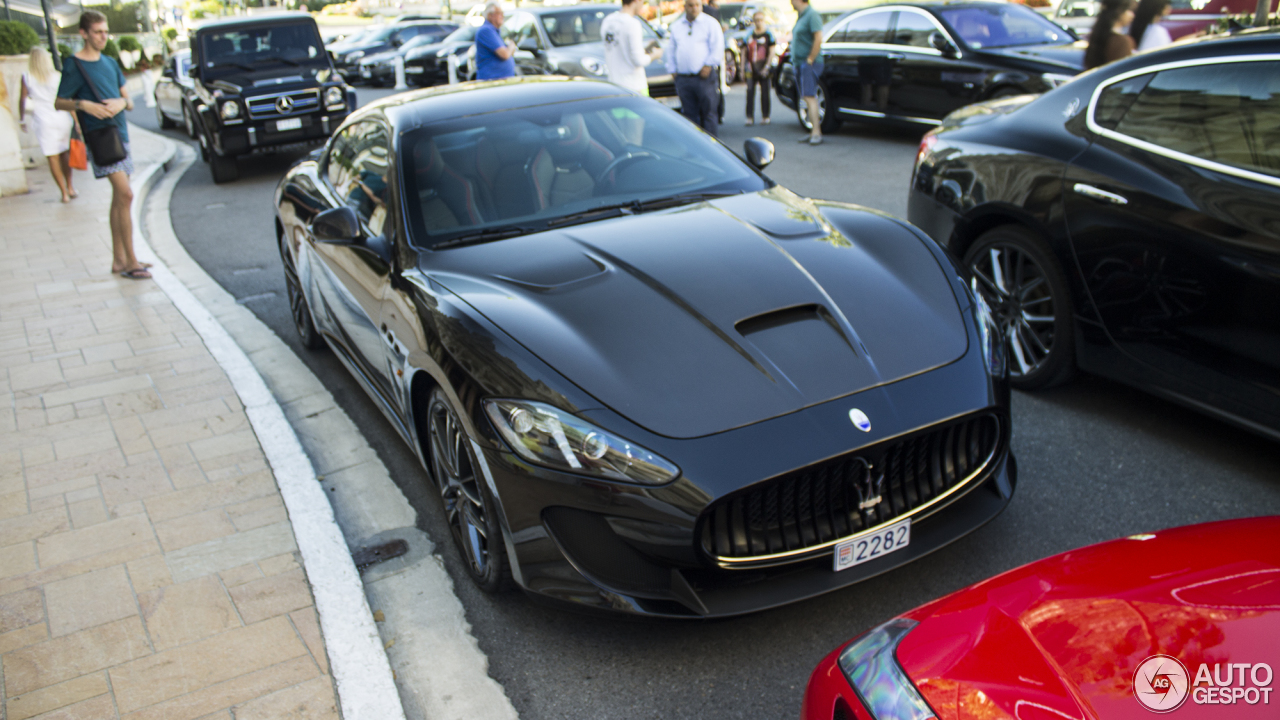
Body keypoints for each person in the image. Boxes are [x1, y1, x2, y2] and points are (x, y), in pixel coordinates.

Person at [55, 10, 150, 280]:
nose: (103, 36)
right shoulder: (75, 65)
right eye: (97, 32)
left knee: (119, 198)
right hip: (100, 139)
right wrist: (82, 104)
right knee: (126, 194)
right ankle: (132, 261)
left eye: (105, 31)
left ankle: (119, 259)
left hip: (121, 136)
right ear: (83, 33)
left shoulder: (110, 62)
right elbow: (59, 101)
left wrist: (122, 103)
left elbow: (128, 100)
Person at [19, 46, 77, 203]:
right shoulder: (57, 76)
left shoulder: (27, 77)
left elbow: (23, 100)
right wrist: (76, 120)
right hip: (61, 118)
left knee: (52, 157)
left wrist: (22, 120)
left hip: (42, 120)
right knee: (64, 153)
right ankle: (70, 186)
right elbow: (68, 99)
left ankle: (63, 192)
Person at [665, 0, 724, 137]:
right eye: (691, 5)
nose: (694, 8)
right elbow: (671, 50)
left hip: (704, 77)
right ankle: (694, 149)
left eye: (697, 5)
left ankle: (712, 146)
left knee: (709, 113)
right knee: (689, 116)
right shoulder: (677, 26)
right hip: (684, 78)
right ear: (685, 7)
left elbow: (717, 47)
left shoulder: (710, 23)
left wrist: (708, 64)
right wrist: (673, 70)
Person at [602, 0, 663, 96]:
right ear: (636, 1)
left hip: (614, 85)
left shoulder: (608, 21)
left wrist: (644, 50)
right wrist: (654, 55)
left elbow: (618, 50)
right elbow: (638, 60)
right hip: (634, 86)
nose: (643, 5)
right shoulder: (632, 23)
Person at [790, 0, 824, 145]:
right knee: (805, 97)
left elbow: (818, 38)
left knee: (810, 96)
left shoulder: (812, 15)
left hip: (809, 63)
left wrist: (810, 59)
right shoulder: (801, 16)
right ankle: (812, 131)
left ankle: (816, 132)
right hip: (799, 63)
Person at [1084, 0, 1136, 70]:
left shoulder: (1098, 35)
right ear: (1118, 11)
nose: (1132, 15)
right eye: (1128, 10)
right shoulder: (1122, 42)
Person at [743, 12, 775, 125]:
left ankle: (765, 116)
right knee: (750, 91)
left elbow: (772, 52)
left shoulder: (768, 35)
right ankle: (749, 116)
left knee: (765, 92)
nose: (758, 22)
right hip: (751, 67)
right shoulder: (749, 35)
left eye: (761, 20)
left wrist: (767, 66)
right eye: (756, 20)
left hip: (763, 66)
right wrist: (742, 68)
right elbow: (744, 51)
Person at [475, 2, 517, 80]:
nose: (502, 16)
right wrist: (511, 46)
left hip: (500, 81)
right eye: (499, 13)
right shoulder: (486, 30)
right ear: (490, 15)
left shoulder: (494, 31)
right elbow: (504, 54)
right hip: (492, 81)